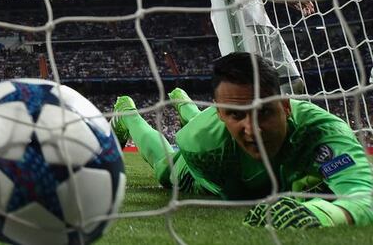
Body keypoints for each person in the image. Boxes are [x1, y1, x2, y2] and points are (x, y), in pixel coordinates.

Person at [111, 52, 373, 229]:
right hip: (212, 157)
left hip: (222, 131)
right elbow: (237, 196)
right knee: (166, 169)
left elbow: (364, 196)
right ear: (220, 113)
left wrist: (325, 214)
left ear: (285, 106)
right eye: (236, 115)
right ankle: (128, 113)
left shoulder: (325, 133)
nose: (253, 129)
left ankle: (185, 103)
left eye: (264, 111)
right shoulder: (201, 146)